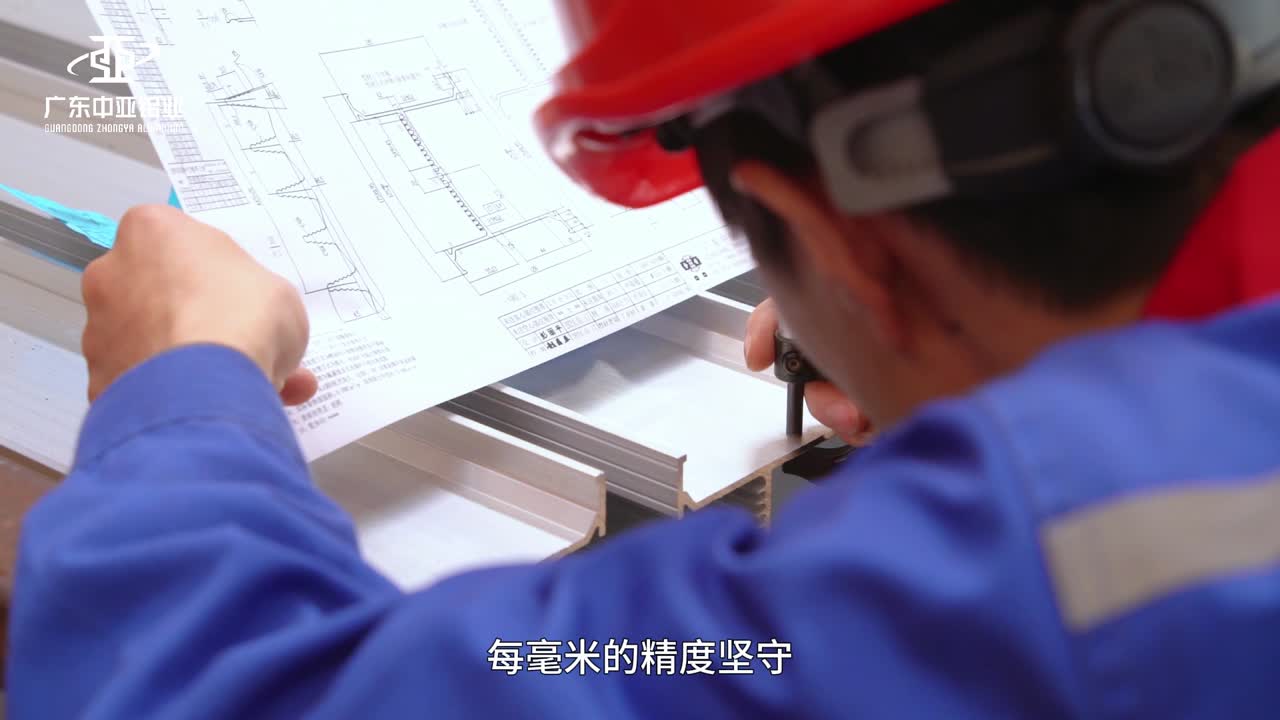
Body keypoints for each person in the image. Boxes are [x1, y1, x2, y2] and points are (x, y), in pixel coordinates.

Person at [9, 0, 1280, 716]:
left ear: (847, 249)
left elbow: (213, 692)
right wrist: (946, 346)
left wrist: (181, 376)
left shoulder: (1032, 568)